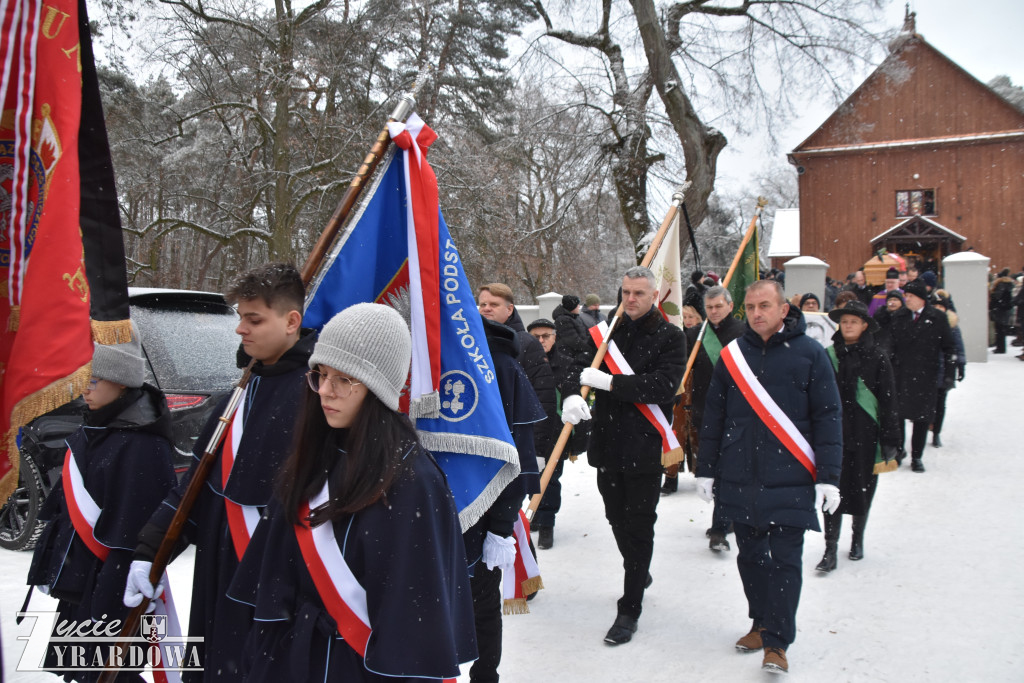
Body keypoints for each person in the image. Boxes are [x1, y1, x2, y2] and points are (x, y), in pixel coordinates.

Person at [227, 303, 476, 682]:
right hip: (291, 662)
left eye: (343, 379)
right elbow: (274, 584)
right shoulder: (310, 459)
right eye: (321, 374)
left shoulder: (413, 482)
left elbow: (412, 628)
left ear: (376, 388)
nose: (324, 390)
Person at [125, 263, 315, 682]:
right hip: (221, 569)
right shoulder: (241, 392)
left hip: (281, 585)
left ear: (292, 321)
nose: (240, 330)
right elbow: (196, 483)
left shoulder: (319, 397)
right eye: (240, 318)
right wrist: (149, 550)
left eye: (254, 319)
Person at [695, 280, 842, 674]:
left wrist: (829, 476)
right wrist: (706, 469)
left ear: (783, 310)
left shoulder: (811, 353)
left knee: (785, 562)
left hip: (791, 476)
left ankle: (777, 642)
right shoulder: (732, 357)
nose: (757, 313)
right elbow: (714, 417)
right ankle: (760, 623)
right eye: (751, 307)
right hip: (740, 475)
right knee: (751, 558)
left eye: (765, 306)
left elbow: (828, 416)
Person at [27, 332, 177, 683]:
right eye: (82, 379)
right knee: (81, 672)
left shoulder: (143, 446)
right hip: (81, 583)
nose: (85, 389)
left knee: (109, 673)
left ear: (122, 382)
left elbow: (132, 537)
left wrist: (106, 607)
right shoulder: (93, 426)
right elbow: (66, 510)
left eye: (93, 380)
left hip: (112, 588)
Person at [560, 266, 686, 646]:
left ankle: (630, 606)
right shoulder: (605, 332)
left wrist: (612, 383)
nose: (630, 299)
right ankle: (638, 565)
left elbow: (664, 387)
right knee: (616, 517)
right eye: (626, 292)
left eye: (639, 294)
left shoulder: (670, 336)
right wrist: (570, 393)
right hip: (608, 445)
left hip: (644, 447)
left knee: (639, 523)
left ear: (653, 297)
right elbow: (572, 365)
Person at [468, 315, 544, 683]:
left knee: (482, 606)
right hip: (432, 512)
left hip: (485, 511)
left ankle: (486, 677)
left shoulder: (500, 366)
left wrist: (500, 528)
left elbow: (518, 455)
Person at [815, 302, 899, 573]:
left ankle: (857, 538)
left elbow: (888, 400)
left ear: (864, 325)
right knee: (832, 489)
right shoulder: (828, 355)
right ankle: (830, 547)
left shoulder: (878, 357)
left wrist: (890, 438)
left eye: (854, 321)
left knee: (863, 487)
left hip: (865, 434)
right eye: (845, 321)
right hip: (834, 433)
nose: (848, 325)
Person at [683, 286, 745, 551]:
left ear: (730, 306)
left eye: (719, 306)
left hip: (737, 412)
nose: (714, 311)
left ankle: (720, 526)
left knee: (728, 468)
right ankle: (725, 518)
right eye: (709, 307)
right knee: (711, 467)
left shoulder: (743, 334)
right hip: (705, 410)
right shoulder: (697, 336)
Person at [527, 318, 588, 549]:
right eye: (536, 336)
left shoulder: (566, 364)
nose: (541, 341)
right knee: (530, 475)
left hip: (555, 432)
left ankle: (547, 523)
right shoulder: (521, 360)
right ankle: (535, 510)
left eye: (546, 336)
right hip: (528, 429)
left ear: (555, 338)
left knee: (550, 479)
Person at [888, 278, 956, 473]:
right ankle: (899, 451)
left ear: (921, 298)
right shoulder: (899, 316)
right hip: (901, 374)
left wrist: (949, 375)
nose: (906, 299)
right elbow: (890, 344)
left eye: (910, 296)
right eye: (906, 296)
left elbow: (949, 347)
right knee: (898, 415)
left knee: (922, 418)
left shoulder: (937, 318)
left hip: (926, 375)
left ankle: (917, 456)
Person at [663, 305, 705, 495]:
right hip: (679, 386)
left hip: (698, 387)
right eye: (684, 316)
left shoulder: (704, 338)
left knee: (698, 433)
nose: (687, 320)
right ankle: (671, 476)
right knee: (675, 432)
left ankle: (703, 473)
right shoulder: (675, 337)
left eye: (691, 316)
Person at [931, 292, 966, 447]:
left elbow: (958, 348)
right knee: (928, 403)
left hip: (945, 369)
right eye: (935, 306)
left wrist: (961, 365)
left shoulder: (952, 326)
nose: (938, 309)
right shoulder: (926, 323)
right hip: (928, 370)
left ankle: (936, 432)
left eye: (941, 306)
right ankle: (928, 426)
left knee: (940, 403)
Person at [989, 267, 1014, 354]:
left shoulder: (1000, 284)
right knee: (1002, 329)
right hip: (1006, 309)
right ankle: (1001, 347)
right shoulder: (1010, 284)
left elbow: (997, 296)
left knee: (999, 329)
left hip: (1000, 309)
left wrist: (992, 294)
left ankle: (1000, 348)